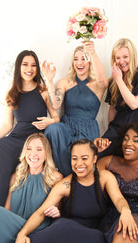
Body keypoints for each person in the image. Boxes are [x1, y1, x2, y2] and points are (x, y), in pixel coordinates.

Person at [15, 139, 138, 243]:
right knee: (63, 226)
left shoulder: (105, 177)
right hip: (66, 233)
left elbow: (119, 199)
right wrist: (22, 234)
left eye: (84, 158)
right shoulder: (65, 185)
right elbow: (41, 212)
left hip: (95, 234)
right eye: (74, 158)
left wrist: (126, 211)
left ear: (94, 159)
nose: (79, 163)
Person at [0, 50, 60, 206]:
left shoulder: (42, 90)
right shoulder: (12, 92)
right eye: (25, 64)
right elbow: (7, 125)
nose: (29, 68)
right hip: (16, 138)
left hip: (33, 142)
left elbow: (57, 117)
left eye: (33, 65)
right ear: (18, 67)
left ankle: (2, 210)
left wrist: (49, 122)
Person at [42, 41, 108, 176]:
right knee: (53, 129)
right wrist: (49, 80)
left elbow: (103, 81)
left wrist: (93, 53)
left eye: (84, 59)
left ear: (89, 62)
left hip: (88, 129)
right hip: (67, 126)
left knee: (82, 156)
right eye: (76, 59)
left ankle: (78, 180)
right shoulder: (65, 82)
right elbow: (56, 104)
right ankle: (64, 178)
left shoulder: (97, 85)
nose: (80, 63)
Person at [98, 38, 138, 158]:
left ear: (132, 57)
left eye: (125, 57)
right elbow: (113, 108)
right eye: (117, 58)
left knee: (135, 158)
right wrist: (110, 131)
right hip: (119, 122)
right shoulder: (114, 80)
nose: (121, 61)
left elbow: (134, 104)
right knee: (100, 152)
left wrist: (119, 79)